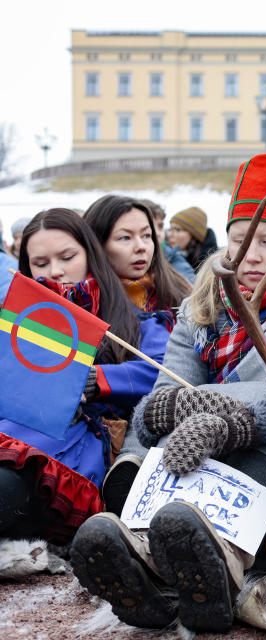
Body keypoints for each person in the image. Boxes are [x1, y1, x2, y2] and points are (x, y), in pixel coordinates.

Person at [70, 152, 266, 633]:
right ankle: (148, 558)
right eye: (239, 240)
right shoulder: (202, 306)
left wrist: (233, 419)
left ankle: (219, 561)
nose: (250, 254)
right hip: (198, 454)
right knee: (163, 440)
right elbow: (166, 392)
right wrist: (145, 444)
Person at [0, 209, 169, 543]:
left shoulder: (138, 321)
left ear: (91, 254)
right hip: (14, 436)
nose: (57, 271)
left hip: (74, 456)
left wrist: (96, 380)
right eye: (41, 263)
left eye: (67, 256)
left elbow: (162, 372)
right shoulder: (18, 322)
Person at [84, 195, 192, 319]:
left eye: (146, 235)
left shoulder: (181, 293)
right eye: (125, 237)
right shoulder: (83, 302)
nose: (141, 247)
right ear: (97, 244)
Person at [139, 199, 196, 283]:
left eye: (160, 226)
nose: (157, 233)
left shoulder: (174, 259)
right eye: (148, 226)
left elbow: (193, 290)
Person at [166, 206, 220, 271]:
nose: (169, 234)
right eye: (170, 229)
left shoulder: (211, 266)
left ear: (194, 235)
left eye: (177, 230)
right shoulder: (167, 255)